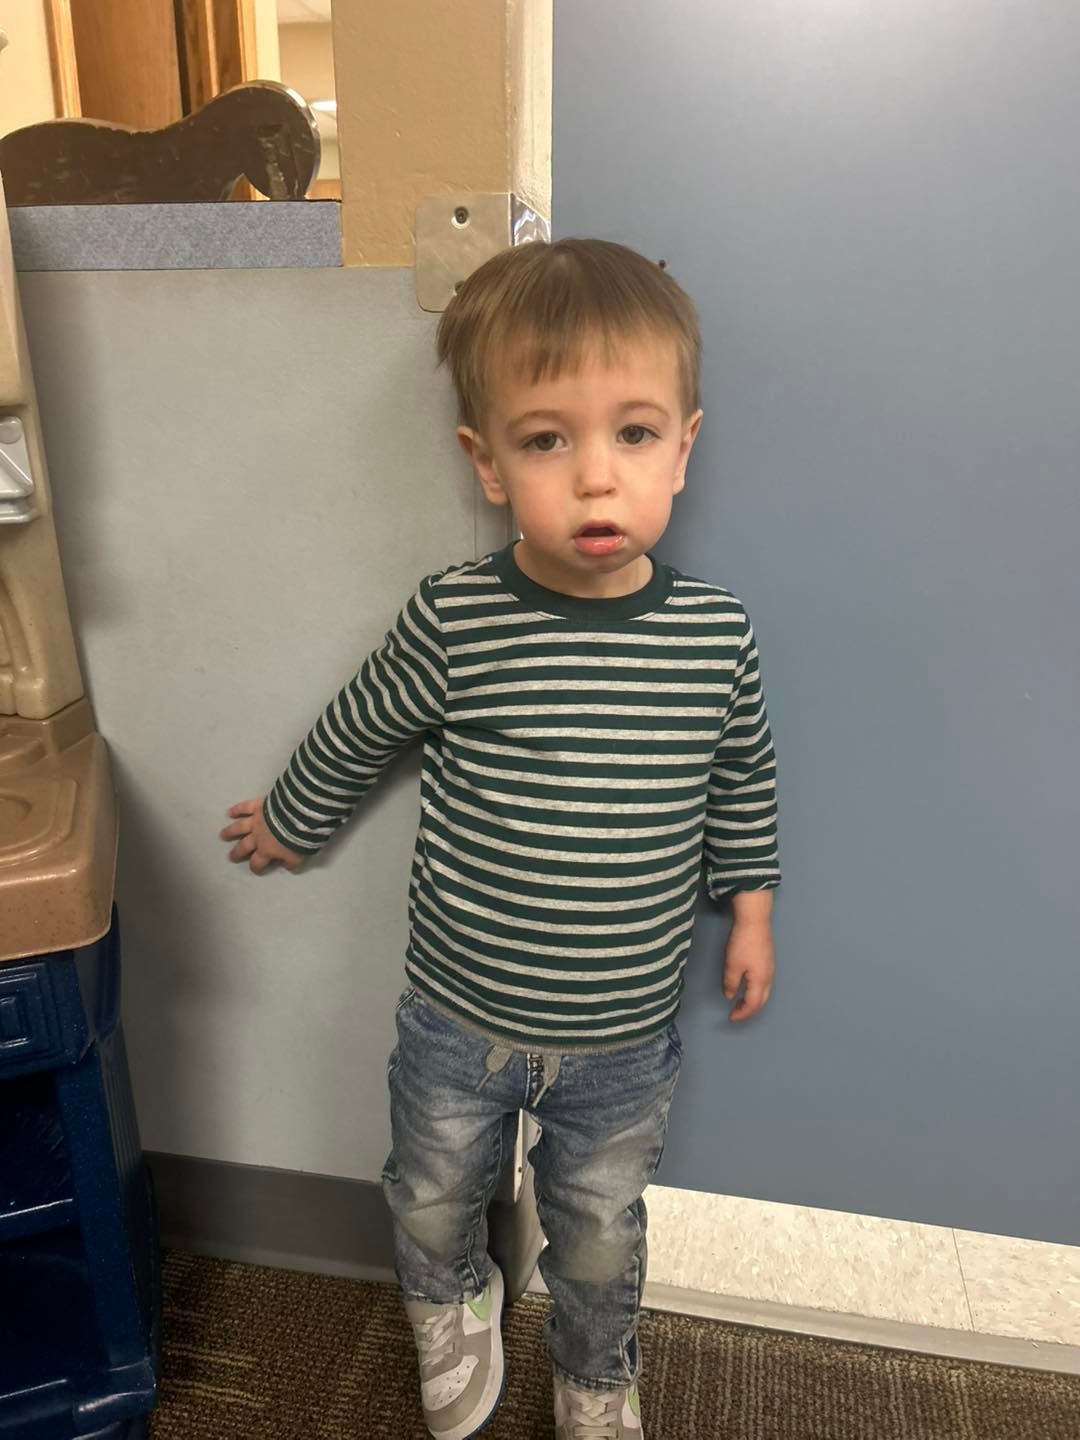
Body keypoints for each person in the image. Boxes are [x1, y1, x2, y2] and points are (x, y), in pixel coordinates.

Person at [221, 237, 781, 1440]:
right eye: (546, 440)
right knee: (429, 1198)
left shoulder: (713, 638)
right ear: (485, 461)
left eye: (633, 435)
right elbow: (359, 727)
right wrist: (288, 818)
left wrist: (753, 911)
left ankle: (594, 1372)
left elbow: (743, 780)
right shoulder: (456, 617)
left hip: (624, 1035)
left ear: (684, 445)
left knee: (598, 1232)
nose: (594, 480)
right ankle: (455, 1300)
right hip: (456, 1016)